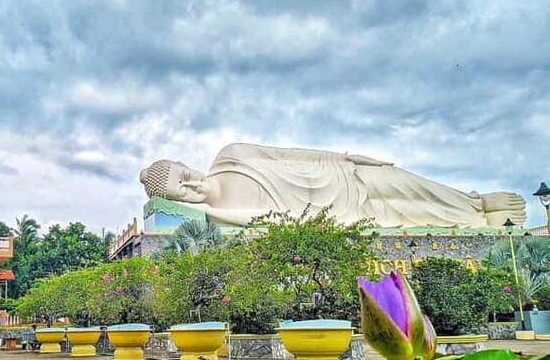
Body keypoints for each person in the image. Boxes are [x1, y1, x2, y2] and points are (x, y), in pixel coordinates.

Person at [140, 143, 526, 228]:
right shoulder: (223, 216)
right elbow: (269, 223)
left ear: (187, 164)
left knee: (405, 183)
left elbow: (293, 155)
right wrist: (209, 210)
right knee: (410, 212)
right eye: (182, 192)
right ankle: (481, 222)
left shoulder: (231, 156)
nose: (193, 186)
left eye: (185, 175)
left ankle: (474, 201)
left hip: (338, 176)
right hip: (344, 214)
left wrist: (348, 158)